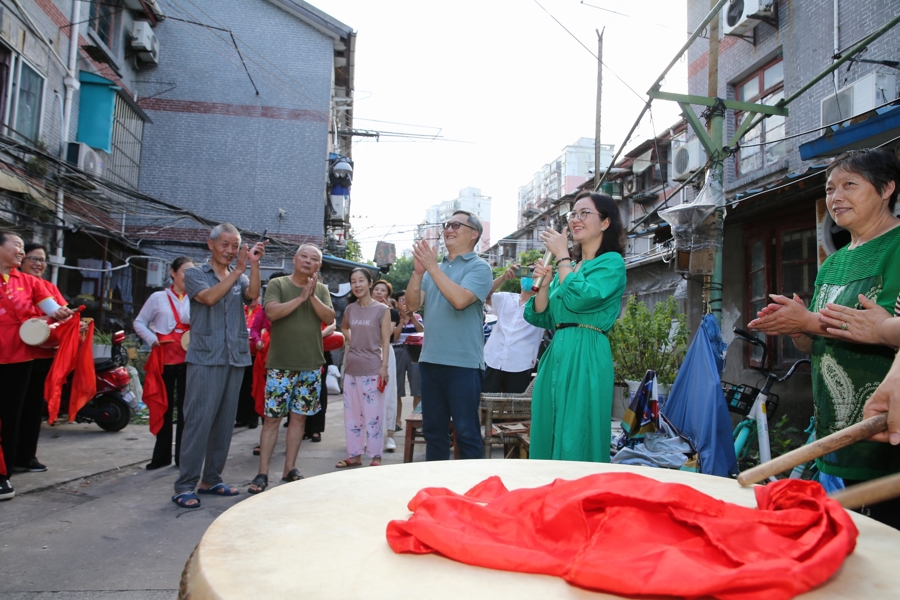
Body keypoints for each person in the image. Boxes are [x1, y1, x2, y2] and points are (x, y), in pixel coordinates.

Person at [748, 148, 900, 529]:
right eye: (830, 188)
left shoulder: (897, 247)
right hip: (835, 430)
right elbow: (815, 344)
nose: (836, 197)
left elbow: (876, 327)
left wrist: (809, 320)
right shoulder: (833, 261)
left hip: (883, 430)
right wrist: (797, 327)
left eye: (850, 185)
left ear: (887, 189)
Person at [524, 191, 627, 462]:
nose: (576, 220)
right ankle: (548, 491)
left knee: (577, 428)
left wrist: (562, 258)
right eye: (573, 214)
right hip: (557, 351)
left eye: (585, 213)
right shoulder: (568, 267)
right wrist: (544, 286)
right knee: (549, 423)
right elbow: (543, 317)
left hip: (587, 352)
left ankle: (579, 494)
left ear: (605, 223)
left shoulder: (611, 262)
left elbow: (582, 298)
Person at [172, 224, 265, 509]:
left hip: (234, 356)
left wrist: (254, 265)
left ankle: (211, 478)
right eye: (225, 245)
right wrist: (238, 271)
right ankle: (185, 485)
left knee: (225, 424)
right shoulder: (196, 274)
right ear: (210, 244)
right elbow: (209, 299)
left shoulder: (238, 276)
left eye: (235, 246)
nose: (230, 251)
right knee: (199, 422)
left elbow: (252, 296)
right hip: (205, 357)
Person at [406, 211, 493, 461]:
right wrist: (418, 273)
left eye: (456, 225)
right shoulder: (436, 269)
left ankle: (472, 491)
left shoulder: (479, 267)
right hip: (431, 360)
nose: (448, 229)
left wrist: (432, 268)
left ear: (474, 233)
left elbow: (460, 300)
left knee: (466, 432)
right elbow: (412, 305)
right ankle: (437, 490)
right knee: (433, 431)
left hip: (463, 364)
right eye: (447, 225)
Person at [249, 245, 334, 493]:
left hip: (311, 365)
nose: (308, 261)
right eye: (304, 257)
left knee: (299, 419)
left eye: (314, 259)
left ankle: (289, 468)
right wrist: (299, 298)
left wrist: (312, 295)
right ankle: (262, 473)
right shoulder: (279, 285)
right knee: (272, 419)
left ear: (319, 266)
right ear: (295, 259)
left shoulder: (321, 289)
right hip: (281, 365)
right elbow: (272, 313)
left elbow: (329, 318)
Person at [0, 231, 74, 501]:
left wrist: (59, 313)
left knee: (10, 418)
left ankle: (3, 476)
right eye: (16, 245)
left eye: (23, 246)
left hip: (18, 360)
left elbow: (52, 307)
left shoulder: (29, 283)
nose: (21, 251)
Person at [133, 256, 194, 470]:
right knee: (163, 407)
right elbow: (139, 322)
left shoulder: (197, 298)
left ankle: (183, 457)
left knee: (187, 411)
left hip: (189, 361)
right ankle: (161, 457)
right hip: (163, 360)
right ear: (173, 272)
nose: (189, 276)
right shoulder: (158, 297)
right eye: (185, 271)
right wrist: (152, 339)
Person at [15, 243, 68, 474]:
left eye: (42, 260)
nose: (38, 264)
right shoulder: (13, 284)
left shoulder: (47, 287)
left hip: (42, 355)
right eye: (33, 258)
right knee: (12, 408)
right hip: (15, 355)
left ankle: (26, 456)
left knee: (33, 407)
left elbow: (62, 314)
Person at [336, 268, 392, 467]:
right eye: (353, 281)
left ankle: (375, 455)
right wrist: (353, 339)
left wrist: (384, 367)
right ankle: (355, 455)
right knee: (353, 416)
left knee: (373, 415)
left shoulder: (381, 310)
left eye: (361, 280)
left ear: (370, 283)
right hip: (351, 368)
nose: (357, 285)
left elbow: (386, 341)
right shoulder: (350, 309)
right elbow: (343, 327)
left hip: (372, 369)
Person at [483, 263, 544, 394]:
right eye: (527, 272)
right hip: (493, 360)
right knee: (485, 405)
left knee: (514, 409)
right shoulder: (506, 298)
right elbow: (483, 295)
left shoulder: (541, 307)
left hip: (520, 365)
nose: (530, 276)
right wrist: (503, 278)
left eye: (534, 273)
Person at [372, 279, 400, 451]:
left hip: (386, 352)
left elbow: (388, 334)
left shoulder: (393, 314)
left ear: (388, 296)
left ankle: (390, 435)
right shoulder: (361, 310)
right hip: (367, 352)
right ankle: (370, 435)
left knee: (389, 393)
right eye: (376, 289)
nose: (379, 292)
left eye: (383, 290)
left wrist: (385, 312)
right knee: (369, 394)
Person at [393, 290, 423, 420]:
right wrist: (400, 321)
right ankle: (397, 420)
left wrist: (411, 317)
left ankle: (416, 419)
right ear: (396, 303)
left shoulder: (417, 317)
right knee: (397, 389)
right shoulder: (393, 317)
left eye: (407, 300)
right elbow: (394, 337)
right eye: (401, 300)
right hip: (397, 350)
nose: (404, 303)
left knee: (417, 389)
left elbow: (422, 331)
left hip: (414, 352)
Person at [235, 295, 262, 429]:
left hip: (255, 355)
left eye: (255, 297)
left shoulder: (262, 312)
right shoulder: (241, 312)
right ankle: (241, 418)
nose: (252, 300)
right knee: (240, 387)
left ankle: (253, 418)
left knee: (253, 386)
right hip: (239, 354)